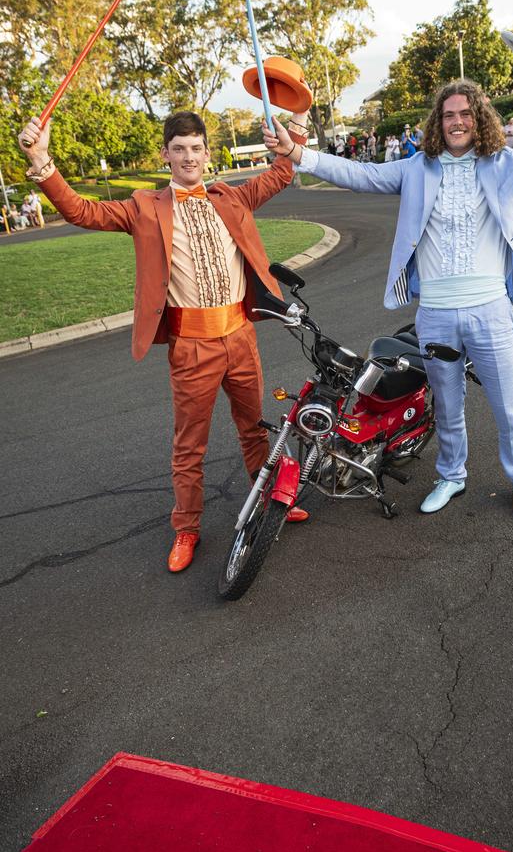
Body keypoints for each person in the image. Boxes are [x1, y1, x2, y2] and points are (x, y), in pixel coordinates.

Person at [262, 42, 513, 520]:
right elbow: (360, 174)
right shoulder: (416, 168)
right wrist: (297, 153)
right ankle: (452, 476)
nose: (457, 121)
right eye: (449, 114)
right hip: (435, 314)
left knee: (508, 404)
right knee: (448, 407)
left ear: (480, 119)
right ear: (439, 122)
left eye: (466, 114)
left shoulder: (506, 163)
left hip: (490, 309)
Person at [18, 109, 309, 573]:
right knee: (189, 445)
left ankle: (270, 502)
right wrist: (43, 162)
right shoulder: (144, 206)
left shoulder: (230, 196)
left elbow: (279, 173)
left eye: (196, 148)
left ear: (207, 154)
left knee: (254, 429)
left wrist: (296, 127)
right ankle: (187, 529)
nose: (189, 157)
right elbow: (82, 210)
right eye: (179, 149)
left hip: (240, 336)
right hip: (191, 346)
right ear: (166, 154)